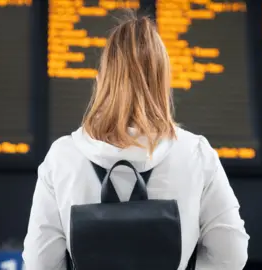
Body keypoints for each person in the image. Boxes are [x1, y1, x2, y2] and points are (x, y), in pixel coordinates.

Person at [23, 14, 249, 270]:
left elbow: (39, 263)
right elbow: (232, 255)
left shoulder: (62, 157)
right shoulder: (196, 154)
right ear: (163, 84)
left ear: (102, 82)